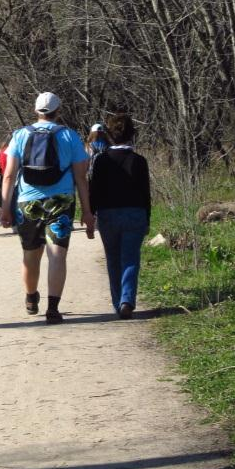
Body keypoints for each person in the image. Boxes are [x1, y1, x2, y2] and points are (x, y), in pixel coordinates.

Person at [0, 92, 95, 324]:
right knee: (57, 255)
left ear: (35, 111)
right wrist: (87, 211)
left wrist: (5, 208)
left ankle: (31, 298)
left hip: (27, 203)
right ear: (58, 111)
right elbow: (81, 178)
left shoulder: (20, 135)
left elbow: (9, 175)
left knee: (30, 255)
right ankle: (53, 308)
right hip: (61, 203)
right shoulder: (69, 136)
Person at [89, 113, 150, 319]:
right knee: (131, 258)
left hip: (108, 215)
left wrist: (91, 214)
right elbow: (145, 193)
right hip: (135, 214)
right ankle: (127, 299)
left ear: (110, 136)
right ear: (132, 134)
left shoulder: (101, 160)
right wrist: (147, 219)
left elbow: (94, 190)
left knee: (113, 259)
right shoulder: (139, 161)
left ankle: (118, 303)